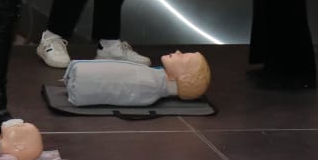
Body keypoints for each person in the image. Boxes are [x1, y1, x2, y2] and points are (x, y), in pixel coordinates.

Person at [64, 51, 211, 106]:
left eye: (184, 57)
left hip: (82, 80)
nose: (179, 52)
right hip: (80, 76)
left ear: (182, 78)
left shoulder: (149, 84)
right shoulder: (152, 80)